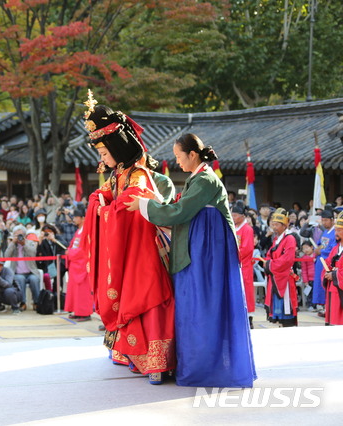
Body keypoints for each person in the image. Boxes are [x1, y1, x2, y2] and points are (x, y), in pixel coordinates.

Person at [126, 132, 256, 388]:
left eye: (179, 156)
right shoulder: (199, 179)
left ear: (192, 154)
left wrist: (144, 205)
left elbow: (180, 211)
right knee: (197, 307)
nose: (177, 162)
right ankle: (197, 364)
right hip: (200, 250)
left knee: (203, 307)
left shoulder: (205, 180)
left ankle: (204, 368)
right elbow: (181, 208)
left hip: (207, 256)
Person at [82, 100, 176, 384]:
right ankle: (131, 354)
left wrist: (105, 209)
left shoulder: (139, 174)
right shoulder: (119, 174)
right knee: (127, 296)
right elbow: (107, 196)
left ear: (117, 148)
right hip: (129, 248)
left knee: (146, 296)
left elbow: (129, 204)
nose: (103, 157)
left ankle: (157, 362)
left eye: (103, 151)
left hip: (143, 249)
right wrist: (100, 202)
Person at [264, 208, 298, 327]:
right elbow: (269, 254)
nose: (274, 227)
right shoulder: (276, 239)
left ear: (284, 225)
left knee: (286, 306)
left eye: (277, 225)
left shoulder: (290, 239)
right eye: (273, 224)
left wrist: (270, 265)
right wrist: (268, 262)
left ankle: (286, 323)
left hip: (285, 277)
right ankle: (279, 322)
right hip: (276, 275)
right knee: (277, 304)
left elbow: (287, 259)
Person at [64, 208, 93, 321]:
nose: (74, 219)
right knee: (75, 290)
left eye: (76, 217)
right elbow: (73, 245)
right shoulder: (79, 231)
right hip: (75, 265)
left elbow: (84, 250)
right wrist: (69, 250)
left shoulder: (86, 231)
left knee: (83, 290)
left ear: (83, 218)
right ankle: (77, 311)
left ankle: (85, 313)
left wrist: (70, 252)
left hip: (82, 264)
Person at [4, 225, 42, 311]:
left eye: (20, 235)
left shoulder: (30, 242)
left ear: (24, 235)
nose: (19, 237)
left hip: (31, 272)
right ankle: (23, 303)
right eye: (16, 235)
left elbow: (33, 254)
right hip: (18, 273)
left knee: (34, 279)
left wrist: (24, 244)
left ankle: (36, 302)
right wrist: (13, 243)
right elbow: (6, 256)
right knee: (20, 279)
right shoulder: (12, 244)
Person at [232, 200, 256, 328]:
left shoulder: (247, 229)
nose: (233, 217)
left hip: (244, 264)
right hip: (236, 263)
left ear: (242, 216)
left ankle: (249, 317)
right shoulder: (236, 228)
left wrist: (232, 255)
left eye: (235, 215)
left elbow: (247, 249)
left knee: (246, 289)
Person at [322, 212, 343, 325]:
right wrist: (327, 272)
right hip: (333, 288)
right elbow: (327, 263)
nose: (336, 233)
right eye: (336, 230)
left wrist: (334, 275)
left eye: (339, 230)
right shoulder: (335, 249)